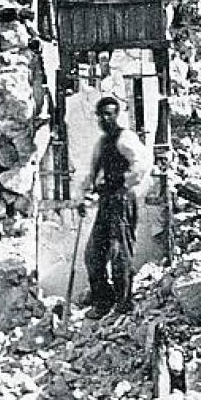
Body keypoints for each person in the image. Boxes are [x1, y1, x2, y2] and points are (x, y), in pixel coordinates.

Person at [80, 96, 152, 319]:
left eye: (110, 113)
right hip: (106, 202)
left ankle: (123, 302)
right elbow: (93, 177)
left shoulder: (126, 138)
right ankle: (103, 300)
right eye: (102, 114)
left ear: (117, 115)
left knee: (120, 253)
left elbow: (142, 164)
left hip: (121, 201)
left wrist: (120, 180)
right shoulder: (101, 144)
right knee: (93, 253)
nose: (105, 118)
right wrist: (85, 198)